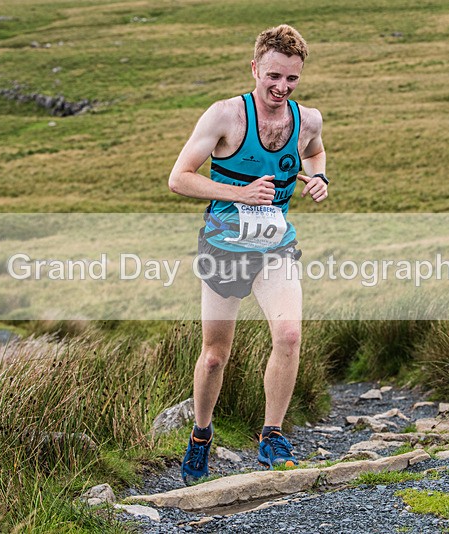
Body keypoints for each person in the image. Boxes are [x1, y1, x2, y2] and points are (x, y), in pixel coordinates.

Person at [168, 24, 328, 484]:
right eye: (273, 76)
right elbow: (179, 178)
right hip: (224, 247)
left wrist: (319, 177)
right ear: (255, 68)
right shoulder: (225, 116)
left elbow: (315, 152)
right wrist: (239, 193)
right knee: (215, 356)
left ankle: (271, 436)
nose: (281, 88)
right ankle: (201, 434)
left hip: (276, 246)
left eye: (291, 79)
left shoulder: (307, 119)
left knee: (289, 335)